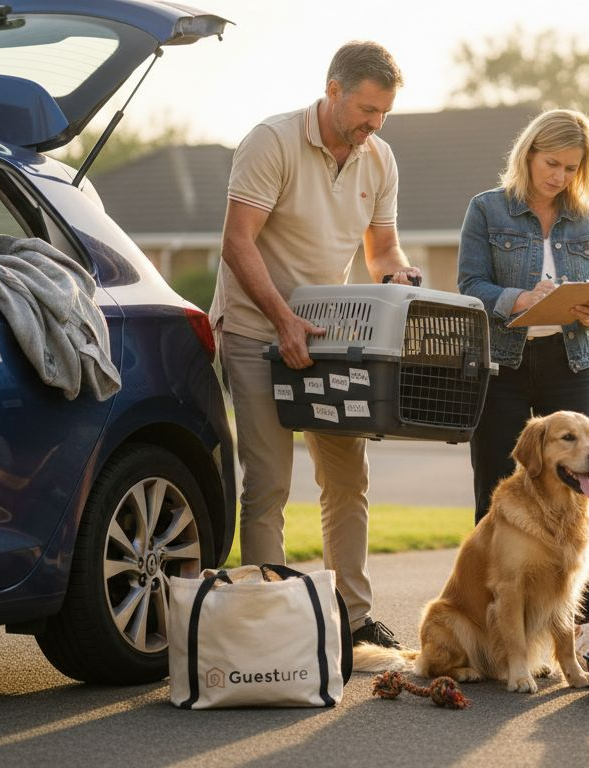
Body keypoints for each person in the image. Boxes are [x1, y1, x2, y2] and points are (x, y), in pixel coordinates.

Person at [208, 41, 421, 649]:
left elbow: (382, 249)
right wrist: (283, 321)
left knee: (347, 480)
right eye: (367, 109)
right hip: (256, 332)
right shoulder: (271, 142)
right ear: (333, 90)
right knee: (269, 483)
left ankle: (352, 620)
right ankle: (268, 623)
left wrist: (398, 274)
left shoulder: (378, 158)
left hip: (330, 339)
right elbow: (237, 242)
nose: (375, 124)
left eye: (384, 113)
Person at [457, 108, 589, 659]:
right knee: (495, 488)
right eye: (552, 164)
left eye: (572, 168)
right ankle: (490, 628)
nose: (560, 177)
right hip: (502, 363)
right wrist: (519, 299)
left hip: (568, 363)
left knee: (580, 496)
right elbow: (470, 286)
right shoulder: (487, 208)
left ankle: (585, 632)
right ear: (528, 155)